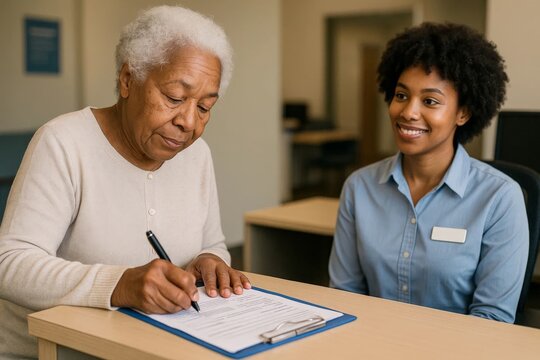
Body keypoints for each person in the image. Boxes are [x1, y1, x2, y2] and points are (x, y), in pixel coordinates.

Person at [0, 5, 251, 358]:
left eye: (205, 107)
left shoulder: (197, 156)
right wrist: (118, 285)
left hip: (151, 349)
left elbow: (213, 242)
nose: (189, 122)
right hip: (53, 352)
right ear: (127, 80)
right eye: (174, 98)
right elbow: (10, 264)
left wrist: (210, 261)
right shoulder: (63, 142)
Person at [328, 22, 528, 323]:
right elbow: (344, 296)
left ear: (463, 113)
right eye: (401, 95)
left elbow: (492, 321)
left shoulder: (500, 197)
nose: (408, 112)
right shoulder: (360, 187)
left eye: (430, 101)